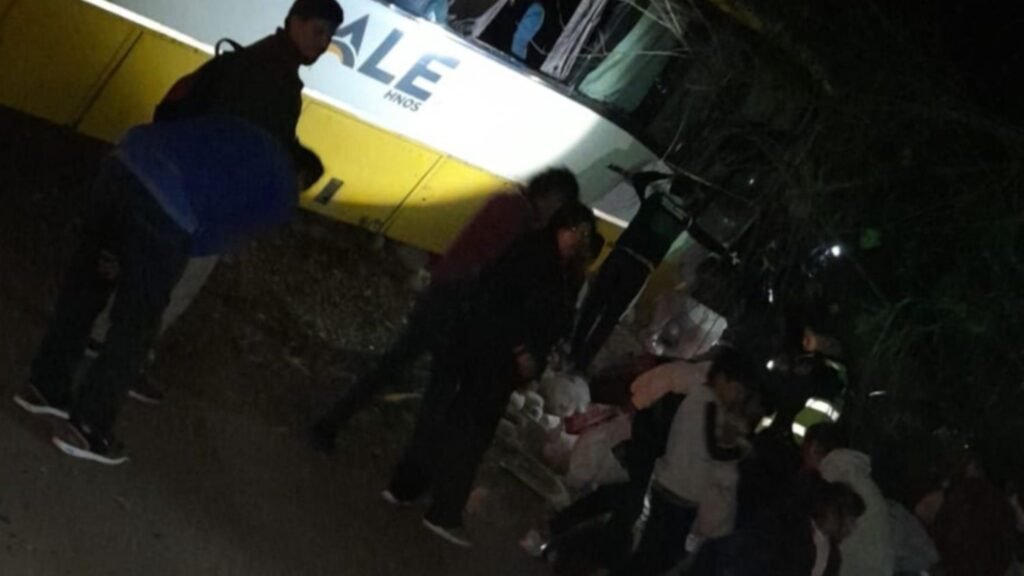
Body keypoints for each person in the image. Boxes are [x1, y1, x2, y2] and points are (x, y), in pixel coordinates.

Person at [12, 0, 344, 465]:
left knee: (88, 285)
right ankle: (87, 428)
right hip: (170, 203)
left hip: (130, 161)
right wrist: (170, 248)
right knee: (138, 321)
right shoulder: (277, 120)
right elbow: (216, 235)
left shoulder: (243, 60)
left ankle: (44, 385)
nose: (322, 43)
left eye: (328, 37)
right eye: (317, 31)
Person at [312, 169, 579, 450]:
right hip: (458, 306)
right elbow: (497, 270)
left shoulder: (508, 203)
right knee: (436, 390)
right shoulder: (519, 219)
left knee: (400, 368)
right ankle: (407, 464)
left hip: (445, 292)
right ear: (551, 196)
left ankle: (334, 423)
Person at [384, 201, 596, 548]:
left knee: (452, 422)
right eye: (576, 232)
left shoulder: (553, 264)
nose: (578, 241)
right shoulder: (538, 258)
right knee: (469, 437)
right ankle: (443, 512)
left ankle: (406, 487)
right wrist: (522, 351)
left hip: (488, 354)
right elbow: (505, 302)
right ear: (564, 226)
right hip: (493, 359)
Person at [612, 347, 758, 576]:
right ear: (721, 379)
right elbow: (715, 451)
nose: (737, 398)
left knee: (656, 556)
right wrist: (739, 449)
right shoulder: (706, 402)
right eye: (737, 390)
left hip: (678, 492)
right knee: (654, 557)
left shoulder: (705, 401)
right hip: (676, 493)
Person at [571, 174, 734, 371]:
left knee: (593, 304)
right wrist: (725, 252)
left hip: (620, 256)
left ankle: (572, 351)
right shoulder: (685, 218)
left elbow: (640, 179)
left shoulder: (655, 198)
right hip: (639, 268)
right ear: (690, 196)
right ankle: (582, 363)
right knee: (610, 316)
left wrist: (666, 175)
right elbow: (703, 237)